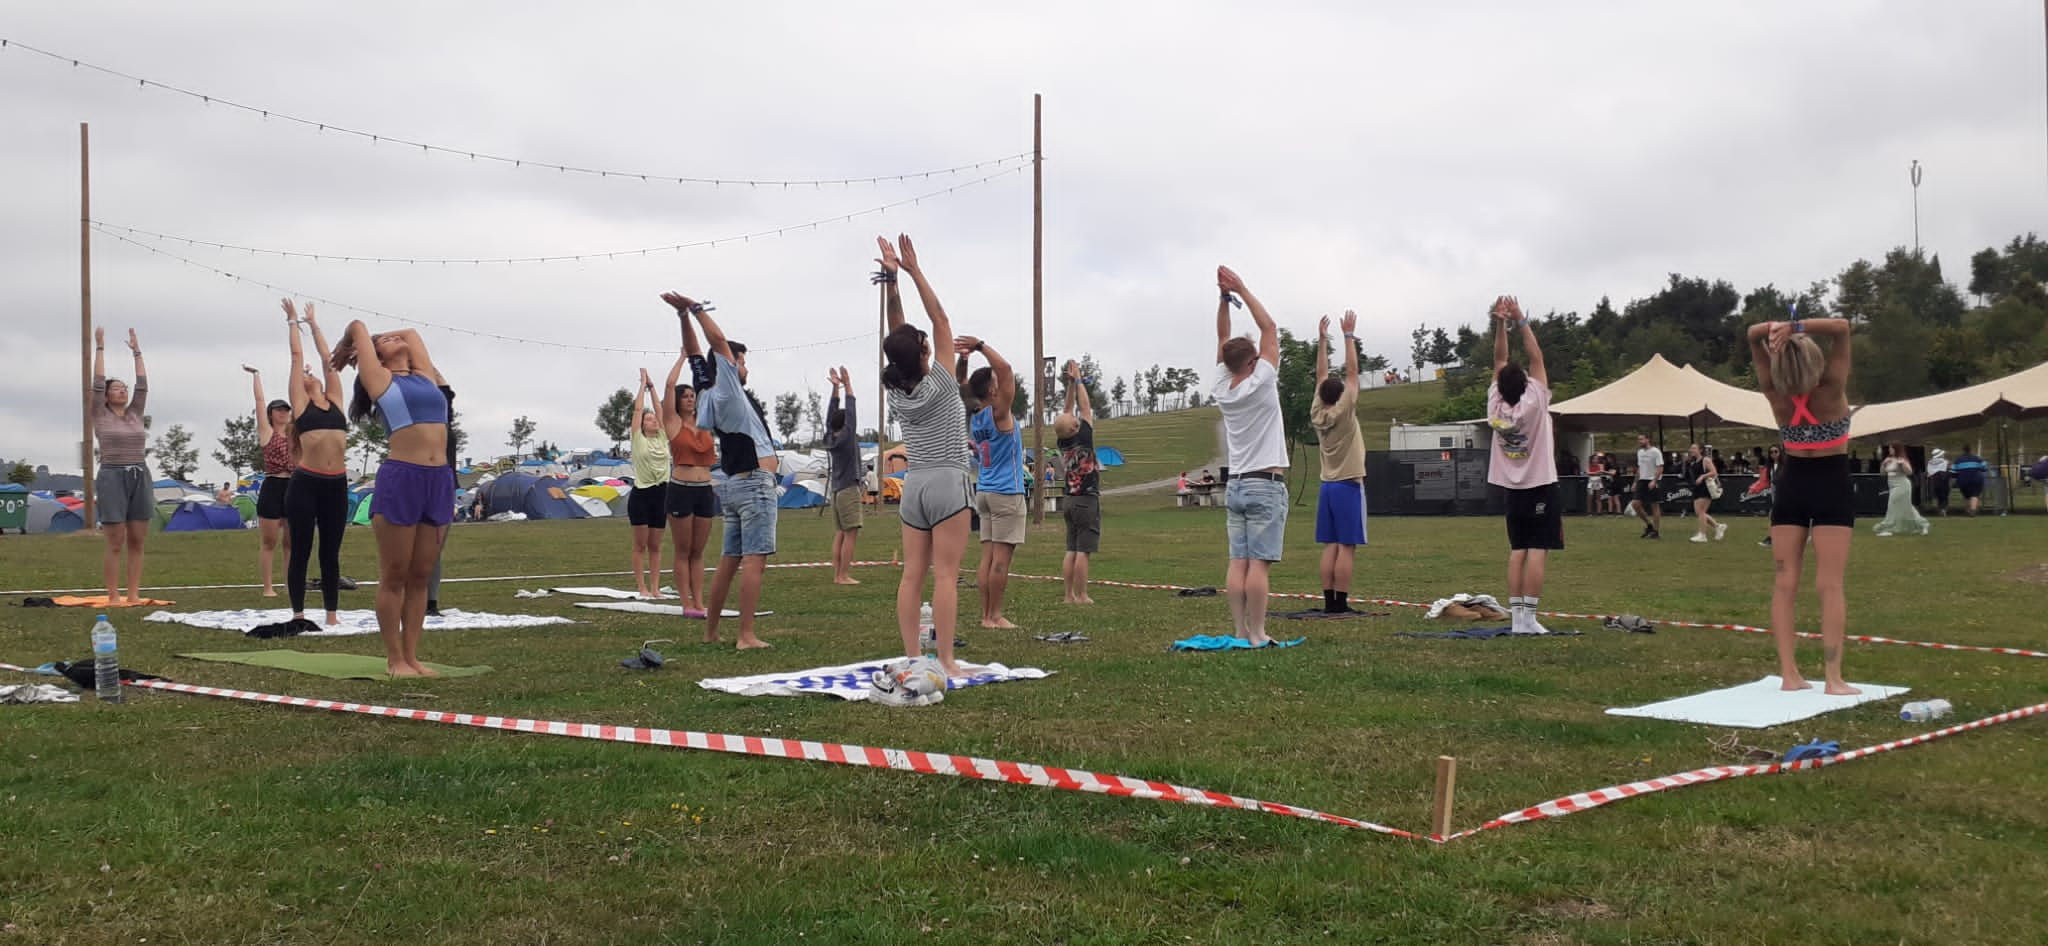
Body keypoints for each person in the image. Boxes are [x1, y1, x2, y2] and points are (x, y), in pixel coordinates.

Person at [330, 322, 453, 677]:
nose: (395, 338)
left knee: (421, 575)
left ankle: (412, 657)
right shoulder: (381, 381)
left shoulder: (425, 377)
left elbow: (412, 331)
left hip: (439, 479)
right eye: (383, 341)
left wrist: (379, 339)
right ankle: (394, 659)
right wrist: (348, 345)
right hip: (402, 478)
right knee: (395, 574)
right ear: (373, 356)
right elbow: (357, 326)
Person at [1747, 311, 1858, 694]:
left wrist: (1773, 331)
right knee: (1830, 585)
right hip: (1831, 484)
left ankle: (1790, 675)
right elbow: (1842, 328)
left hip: (1791, 484)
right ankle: (1833, 678)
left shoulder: (1774, 392)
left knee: (1784, 584)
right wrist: (1796, 328)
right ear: (1815, 360)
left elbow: (1751, 334)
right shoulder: (1832, 388)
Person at [875, 233, 969, 678]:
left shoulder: (895, 390)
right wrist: (913, 271)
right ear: (925, 352)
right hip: (949, 480)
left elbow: (903, 337)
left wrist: (892, 281)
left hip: (914, 484)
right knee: (946, 575)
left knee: (912, 575)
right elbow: (940, 317)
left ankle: (913, 655)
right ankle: (946, 660)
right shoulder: (944, 382)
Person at [661, 289, 775, 648]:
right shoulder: (726, 387)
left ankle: (711, 632)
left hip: (735, 485)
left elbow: (696, 353)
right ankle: (746, 635)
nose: (745, 367)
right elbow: (716, 341)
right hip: (756, 483)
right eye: (741, 361)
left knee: (729, 560)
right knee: (755, 560)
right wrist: (696, 309)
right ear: (729, 363)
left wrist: (682, 319)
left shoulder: (705, 390)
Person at [1211, 265, 1287, 646]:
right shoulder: (1262, 379)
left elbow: (1224, 337)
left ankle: (1240, 630)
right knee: (1259, 564)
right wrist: (1241, 287)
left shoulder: (1224, 385)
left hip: (1237, 485)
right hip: (1265, 483)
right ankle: (1257, 633)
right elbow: (1269, 328)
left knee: (1237, 562)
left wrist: (1224, 300)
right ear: (1254, 360)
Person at [1485, 296, 1561, 635]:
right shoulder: (1535, 399)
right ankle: (1529, 619)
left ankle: (1517, 619)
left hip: (1512, 488)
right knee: (1538, 550)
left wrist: (1501, 323)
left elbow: (1500, 358)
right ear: (1526, 385)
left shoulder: (1496, 404)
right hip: (1541, 484)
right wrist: (1521, 321)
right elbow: (1536, 357)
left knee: (1517, 551)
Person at [280, 300, 349, 628]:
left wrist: (313, 324)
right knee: (302, 549)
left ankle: (332, 615)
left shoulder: (335, 399)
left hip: (336, 484)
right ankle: (298, 613)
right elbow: (297, 358)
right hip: (306, 484)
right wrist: (293, 322)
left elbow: (328, 360)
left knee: (330, 552)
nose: (310, 374)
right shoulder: (301, 405)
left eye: (313, 375)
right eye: (305, 376)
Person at [960, 335, 1024, 627]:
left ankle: (986, 615)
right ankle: (995, 615)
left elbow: (965, 386)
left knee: (986, 557)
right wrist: (980, 347)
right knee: (1001, 559)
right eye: (996, 382)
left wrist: (964, 361)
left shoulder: (977, 416)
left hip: (983, 491)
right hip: (1006, 493)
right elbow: (1007, 369)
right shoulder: (999, 414)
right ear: (992, 389)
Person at [1310, 310, 1367, 614]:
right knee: (1347, 546)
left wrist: (1322, 340)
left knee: (1330, 544)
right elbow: (1353, 374)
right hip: (1347, 484)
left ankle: (1329, 602)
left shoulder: (1318, 412)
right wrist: (1348, 337)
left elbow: (1322, 377)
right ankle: (1341, 604)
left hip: (1327, 486)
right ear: (1342, 396)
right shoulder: (1344, 412)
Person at [91, 327, 152, 606]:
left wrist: (137, 352)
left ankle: (133, 594)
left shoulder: (135, 413)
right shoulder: (99, 414)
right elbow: (97, 381)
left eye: (124, 389)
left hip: (139, 473)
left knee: (138, 539)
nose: (123, 391)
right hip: (112, 476)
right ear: (105, 395)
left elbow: (143, 385)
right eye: (117, 388)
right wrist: (100, 347)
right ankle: (114, 595)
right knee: (115, 540)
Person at [658, 347, 717, 617]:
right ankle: (685, 602)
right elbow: (670, 385)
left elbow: (713, 389)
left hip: (704, 489)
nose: (691, 399)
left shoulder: (705, 422)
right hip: (681, 489)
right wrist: (684, 357)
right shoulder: (672, 422)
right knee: (683, 550)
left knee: (698, 550)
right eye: (686, 396)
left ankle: (699, 601)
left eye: (693, 396)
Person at [244, 360, 294, 598]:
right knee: (270, 541)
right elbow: (259, 402)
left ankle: (289, 583)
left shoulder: (296, 433)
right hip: (273, 485)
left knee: (292, 542)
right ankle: (268, 587)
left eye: (286, 409)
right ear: (271, 415)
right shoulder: (267, 432)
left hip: (294, 485)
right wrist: (256, 376)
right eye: (278, 410)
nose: (283, 413)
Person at [1056, 359, 1101, 605]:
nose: (1078, 419)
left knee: (1071, 549)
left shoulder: (1063, 442)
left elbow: (1067, 411)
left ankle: (1068, 595)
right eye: (1075, 421)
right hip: (1086, 499)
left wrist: (1070, 384)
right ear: (1075, 428)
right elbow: (1084, 408)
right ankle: (1082, 595)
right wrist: (1080, 380)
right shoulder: (1083, 436)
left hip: (1070, 500)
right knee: (1084, 550)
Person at [626, 369, 671, 599]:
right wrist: (642, 384)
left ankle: (655, 588)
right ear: (642, 425)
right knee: (640, 545)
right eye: (649, 418)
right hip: (641, 494)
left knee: (656, 545)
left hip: (661, 494)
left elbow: (661, 410)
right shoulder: (638, 439)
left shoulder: (662, 437)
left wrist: (653, 388)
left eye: (654, 418)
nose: (653, 420)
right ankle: (641, 587)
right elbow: (637, 410)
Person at [422, 367, 458, 618]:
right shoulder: (413, 424)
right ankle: (412, 600)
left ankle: (430, 603)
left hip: (443, 490)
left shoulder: (445, 423)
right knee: (410, 550)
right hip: (416, 486)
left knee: (434, 549)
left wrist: (425, 364)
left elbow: (445, 388)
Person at [823, 366, 864, 586]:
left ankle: (838, 573)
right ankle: (843, 575)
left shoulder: (831, 437)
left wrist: (835, 389)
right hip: (849, 488)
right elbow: (851, 411)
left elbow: (831, 416)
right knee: (850, 533)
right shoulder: (847, 438)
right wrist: (847, 385)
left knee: (840, 532)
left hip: (837, 490)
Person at [1873, 442, 1930, 537]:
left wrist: (1902, 464)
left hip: (1902, 485)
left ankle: (1888, 528)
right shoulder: (1888, 459)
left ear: (1896, 449)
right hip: (1892, 485)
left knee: (1891, 504)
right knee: (1908, 507)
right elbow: (1882, 473)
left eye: (1891, 448)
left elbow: (1909, 472)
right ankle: (1923, 525)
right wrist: (1883, 464)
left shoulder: (1902, 459)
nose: (1889, 450)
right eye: (1889, 448)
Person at [1685, 443, 1727, 543]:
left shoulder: (1705, 460)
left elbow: (1714, 472)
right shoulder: (1693, 462)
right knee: (1698, 512)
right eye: (1691, 448)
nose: (1692, 450)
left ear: (1700, 450)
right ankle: (1718, 526)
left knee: (1701, 512)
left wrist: (1702, 476)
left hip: (1705, 488)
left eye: (1694, 448)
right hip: (1697, 488)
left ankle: (1702, 535)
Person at [1631, 433, 1663, 538]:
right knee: (1635, 504)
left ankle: (1656, 531)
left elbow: (1660, 467)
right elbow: (1640, 468)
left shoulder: (1655, 451)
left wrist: (1654, 480)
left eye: (1642, 439)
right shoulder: (1640, 452)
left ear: (1648, 439)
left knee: (1654, 505)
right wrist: (1635, 482)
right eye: (1638, 439)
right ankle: (1649, 525)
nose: (1640, 441)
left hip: (1651, 479)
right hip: (1642, 480)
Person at [1953, 446, 1989, 516]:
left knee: (1966, 495)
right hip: (1976, 479)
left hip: (1963, 480)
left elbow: (1953, 472)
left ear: (1963, 451)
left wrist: (1957, 476)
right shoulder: (1978, 458)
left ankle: (1968, 509)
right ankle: (1973, 510)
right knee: (1974, 494)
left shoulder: (1958, 460)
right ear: (1971, 450)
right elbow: (1985, 468)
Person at [1925, 447, 1951, 517]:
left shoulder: (1930, 462)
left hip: (1933, 481)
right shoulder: (1945, 462)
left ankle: (1940, 509)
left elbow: (1928, 472)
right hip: (1943, 480)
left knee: (1938, 496)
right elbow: (1949, 469)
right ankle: (1943, 509)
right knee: (1944, 496)